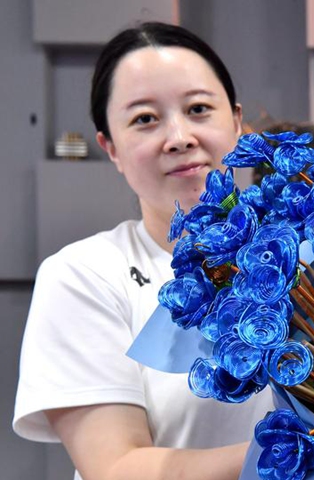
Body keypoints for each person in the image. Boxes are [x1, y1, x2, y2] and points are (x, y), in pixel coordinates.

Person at [12, 22, 275, 480]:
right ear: (110, 147)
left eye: (198, 109)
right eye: (145, 119)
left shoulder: (311, 259)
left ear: (235, 122)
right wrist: (297, 456)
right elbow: (117, 468)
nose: (179, 137)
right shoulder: (84, 275)